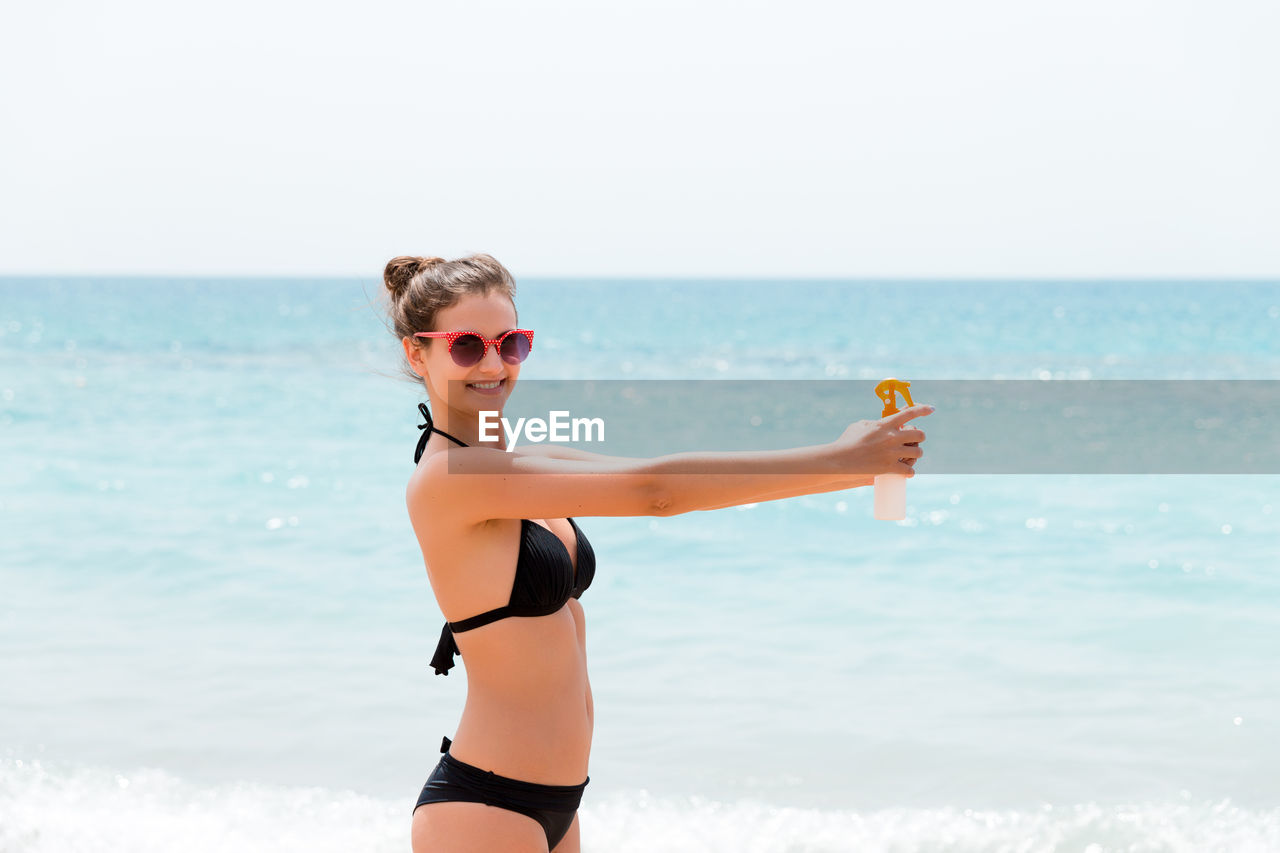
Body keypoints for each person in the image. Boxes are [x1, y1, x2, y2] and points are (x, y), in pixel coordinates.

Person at [384, 254, 932, 853]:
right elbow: (657, 494)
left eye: (510, 343)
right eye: (467, 346)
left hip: (556, 803)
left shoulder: (515, 462)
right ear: (419, 353)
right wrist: (839, 460)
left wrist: (853, 466)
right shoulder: (448, 477)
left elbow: (663, 475)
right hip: (487, 808)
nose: (493, 364)